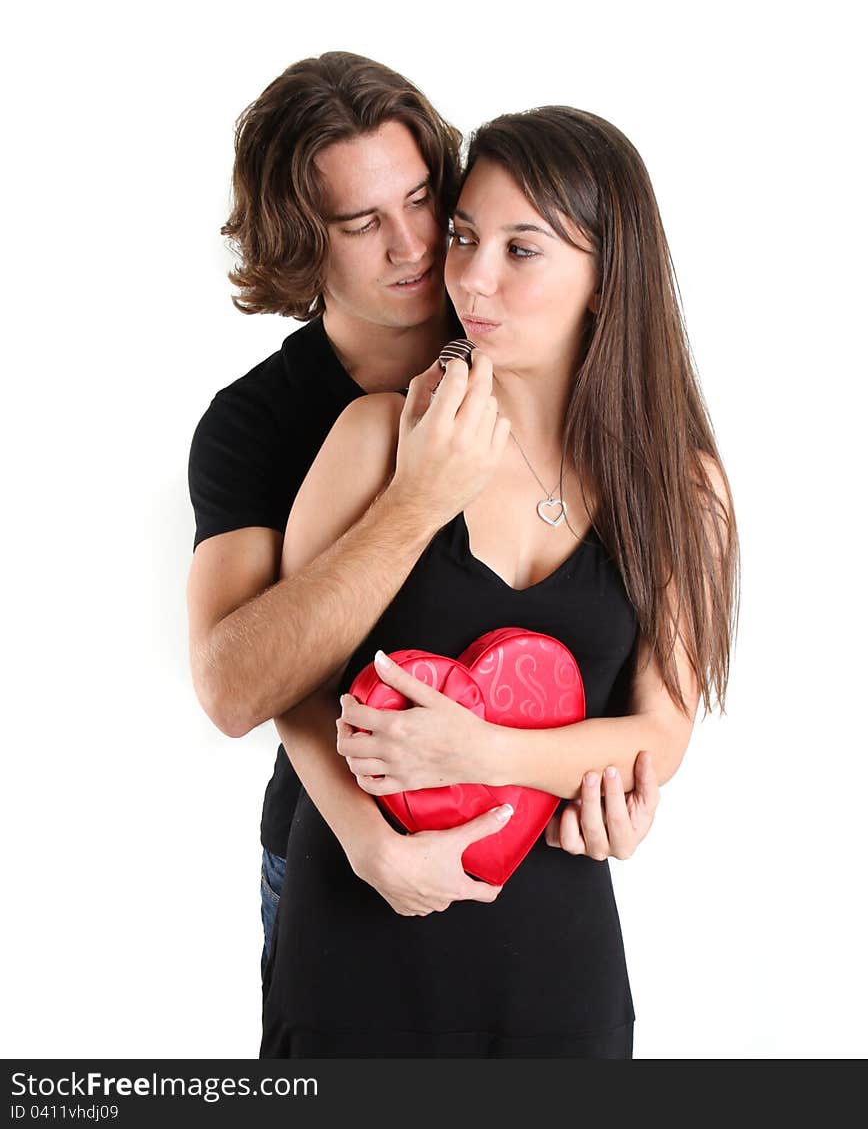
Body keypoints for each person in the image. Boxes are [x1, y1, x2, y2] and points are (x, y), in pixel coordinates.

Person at [259, 105, 740, 1059]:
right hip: (357, 935)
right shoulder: (376, 439)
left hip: (556, 959)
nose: (471, 277)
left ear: (606, 280)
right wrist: (370, 841)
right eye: (467, 236)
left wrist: (479, 748)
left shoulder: (682, 487)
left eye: (524, 249)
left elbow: (660, 733)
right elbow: (291, 678)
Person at [186, 54, 662, 975]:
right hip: (339, 847)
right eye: (363, 222)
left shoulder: (521, 337)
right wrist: (412, 505)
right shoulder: (260, 424)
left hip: (538, 861)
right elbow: (242, 685)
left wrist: (613, 778)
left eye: (424, 205)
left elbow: (609, 639)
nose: (414, 248)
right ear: (298, 240)